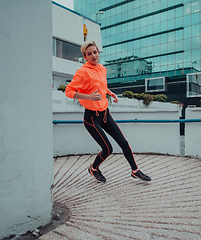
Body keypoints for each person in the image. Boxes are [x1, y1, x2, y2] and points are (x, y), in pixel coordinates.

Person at [65, 41, 151, 183]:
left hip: (105, 114)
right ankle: (94, 168)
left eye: (95, 52)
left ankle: (135, 171)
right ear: (85, 57)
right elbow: (68, 91)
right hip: (92, 119)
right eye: (89, 54)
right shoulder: (82, 72)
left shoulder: (102, 69)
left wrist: (112, 94)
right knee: (107, 149)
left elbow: (101, 86)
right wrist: (89, 97)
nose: (93, 55)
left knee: (123, 142)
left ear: (98, 53)